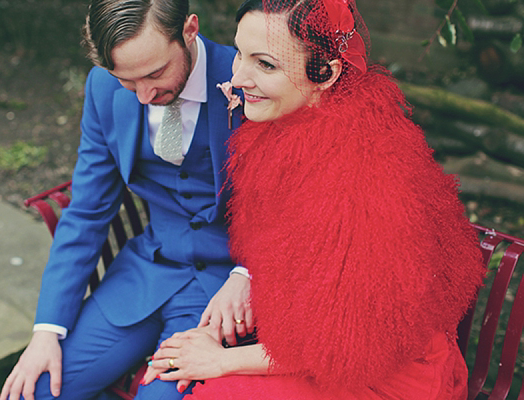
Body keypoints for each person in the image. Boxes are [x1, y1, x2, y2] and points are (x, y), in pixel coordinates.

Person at [141, 0, 487, 398]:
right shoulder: (296, 126)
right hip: (316, 344)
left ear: (326, 73)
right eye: (239, 54)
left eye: (265, 65)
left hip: (379, 375)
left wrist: (221, 360)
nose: (237, 78)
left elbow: (343, 346)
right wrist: (245, 277)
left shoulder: (357, 177)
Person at [0, 0, 251, 399]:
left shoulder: (250, 77)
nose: (145, 95)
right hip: (146, 273)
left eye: (155, 73)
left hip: (224, 291)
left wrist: (249, 276)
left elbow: (299, 203)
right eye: (128, 82)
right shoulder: (101, 87)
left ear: (189, 29)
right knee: (36, 391)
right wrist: (46, 330)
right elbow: (86, 211)